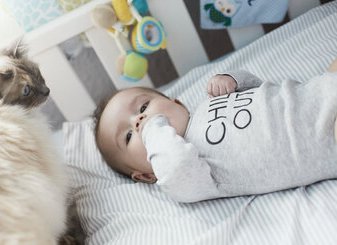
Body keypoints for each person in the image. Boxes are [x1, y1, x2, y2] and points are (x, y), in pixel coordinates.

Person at [93, 58, 337, 202]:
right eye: (128, 136)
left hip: (315, 90)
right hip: (323, 137)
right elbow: (175, 164)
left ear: (177, 103)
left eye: (144, 106)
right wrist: (152, 130)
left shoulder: (206, 103)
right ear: (147, 175)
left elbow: (259, 87)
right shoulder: (185, 177)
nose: (139, 121)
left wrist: (231, 80)